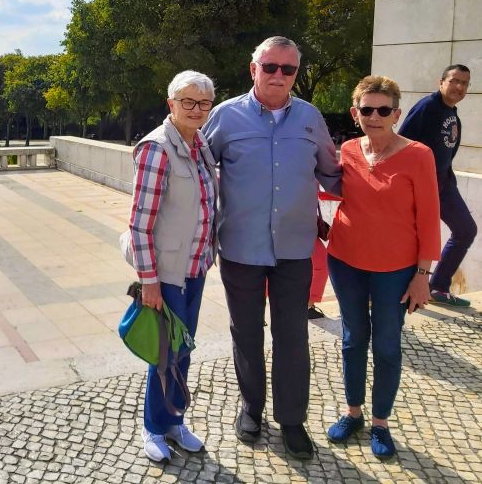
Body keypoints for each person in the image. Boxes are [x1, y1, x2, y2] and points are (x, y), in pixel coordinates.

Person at [202, 36, 341, 459]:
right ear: (253, 69)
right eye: (270, 67)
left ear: (296, 74)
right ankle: (252, 407)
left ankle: (292, 420)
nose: (279, 75)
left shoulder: (310, 117)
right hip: (241, 246)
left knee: (293, 335)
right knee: (245, 332)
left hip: (296, 248)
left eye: (288, 69)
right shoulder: (225, 116)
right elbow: (198, 171)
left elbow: (334, 173)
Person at [325, 75, 440, 458]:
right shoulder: (349, 150)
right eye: (366, 109)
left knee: (387, 344)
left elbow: (428, 218)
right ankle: (353, 412)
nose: (374, 116)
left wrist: (423, 276)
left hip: (396, 269)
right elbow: (330, 190)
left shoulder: (419, 155)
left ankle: (380, 423)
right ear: (356, 113)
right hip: (345, 261)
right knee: (353, 337)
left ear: (396, 114)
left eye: (383, 110)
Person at [125, 70, 218, 462]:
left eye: (203, 103)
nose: (196, 109)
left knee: (183, 350)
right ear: (171, 105)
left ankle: (175, 419)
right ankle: (154, 427)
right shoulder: (157, 148)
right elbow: (140, 223)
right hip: (166, 274)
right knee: (165, 353)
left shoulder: (200, 145)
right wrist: (149, 282)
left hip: (194, 268)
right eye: (187, 102)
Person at [398, 65, 476, 307]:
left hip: (443, 184)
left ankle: (438, 286)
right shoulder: (427, 107)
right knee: (410, 239)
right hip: (421, 185)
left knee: (466, 230)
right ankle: (391, 291)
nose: (459, 87)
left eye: (464, 83)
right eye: (454, 81)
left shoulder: (451, 112)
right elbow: (403, 142)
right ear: (441, 82)